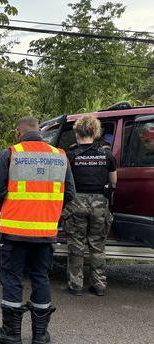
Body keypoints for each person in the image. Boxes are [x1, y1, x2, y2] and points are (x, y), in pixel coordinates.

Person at [0, 117, 75, 344]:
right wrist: (47, 210)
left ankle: (11, 334)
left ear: (18, 133)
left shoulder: (11, 154)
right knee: (41, 278)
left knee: (12, 279)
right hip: (45, 232)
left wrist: (10, 204)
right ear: (40, 132)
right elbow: (70, 194)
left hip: (15, 231)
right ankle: (40, 335)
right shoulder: (59, 155)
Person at [63, 116, 117, 297]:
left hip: (76, 202)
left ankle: (75, 285)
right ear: (95, 132)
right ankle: (99, 285)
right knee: (97, 245)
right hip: (100, 204)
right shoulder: (107, 155)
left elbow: (64, 183)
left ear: (77, 133)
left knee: (76, 245)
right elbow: (113, 183)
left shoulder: (70, 156)